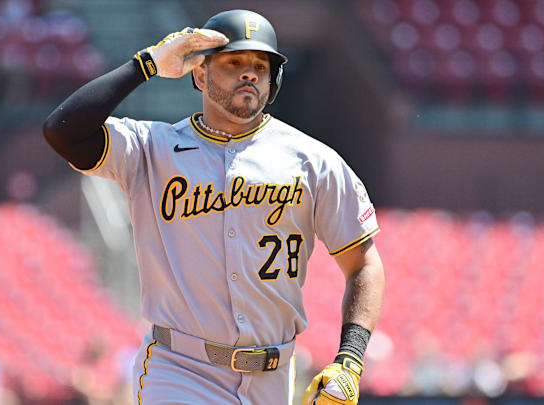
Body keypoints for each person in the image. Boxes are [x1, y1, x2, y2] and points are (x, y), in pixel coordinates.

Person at [43, 9, 385, 405]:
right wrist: (148, 64)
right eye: (234, 61)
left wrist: (350, 360)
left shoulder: (314, 161)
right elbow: (63, 131)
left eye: (261, 64)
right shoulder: (152, 149)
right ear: (200, 74)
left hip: (275, 378)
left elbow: (364, 264)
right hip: (181, 370)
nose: (249, 73)